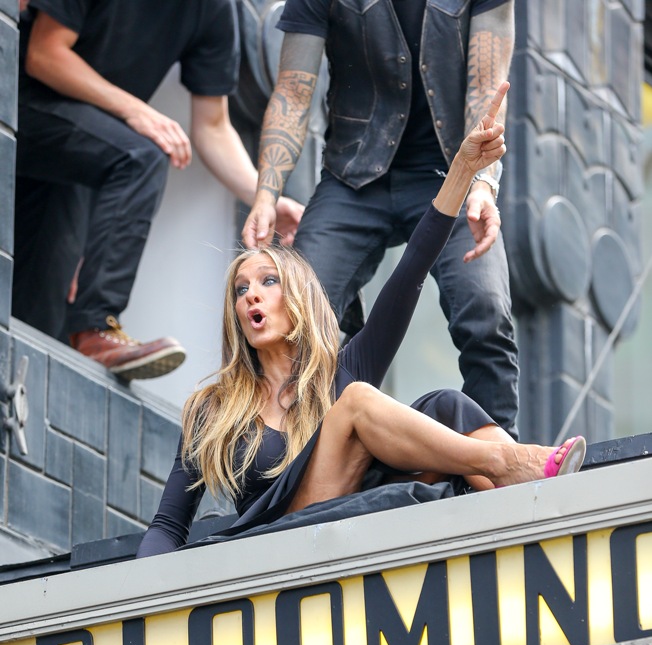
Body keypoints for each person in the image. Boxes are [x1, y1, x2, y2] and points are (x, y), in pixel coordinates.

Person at [137, 84, 586, 558]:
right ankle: (510, 462)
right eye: (240, 290)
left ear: (300, 299)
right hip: (274, 546)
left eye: (267, 282)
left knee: (446, 403)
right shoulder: (213, 406)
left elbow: (411, 268)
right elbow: (169, 523)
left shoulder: (339, 371)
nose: (251, 296)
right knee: (355, 403)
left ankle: (528, 527)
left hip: (344, 520)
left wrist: (462, 170)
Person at [242, 0, 520, 437]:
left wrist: (483, 183)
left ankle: (499, 463)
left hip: (451, 174)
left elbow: (487, 85)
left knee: (484, 311)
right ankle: (301, 466)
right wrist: (265, 195)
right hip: (352, 179)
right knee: (293, 315)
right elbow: (293, 93)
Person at [12, 0, 304, 381]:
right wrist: (136, 112)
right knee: (143, 155)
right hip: (22, 103)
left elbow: (212, 127)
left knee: (36, 318)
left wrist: (265, 198)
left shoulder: (215, 11)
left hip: (79, 155)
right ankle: (96, 329)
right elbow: (42, 53)